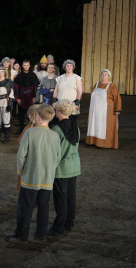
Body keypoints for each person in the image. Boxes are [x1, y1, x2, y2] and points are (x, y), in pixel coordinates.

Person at [5, 104, 61, 243]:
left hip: (30, 176)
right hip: (47, 178)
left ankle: (21, 235)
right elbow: (58, 157)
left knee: (25, 207)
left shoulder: (30, 132)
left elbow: (21, 155)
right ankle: (41, 234)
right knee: (44, 207)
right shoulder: (55, 135)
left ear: (37, 117)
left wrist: (20, 171)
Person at [49, 100, 81, 236]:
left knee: (60, 198)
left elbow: (54, 151)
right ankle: (69, 223)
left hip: (61, 168)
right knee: (70, 196)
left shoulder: (57, 129)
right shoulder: (76, 127)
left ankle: (59, 227)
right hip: (74, 165)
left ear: (59, 112)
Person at [86, 69, 122, 149]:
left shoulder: (111, 85)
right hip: (95, 110)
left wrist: (117, 109)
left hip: (106, 110)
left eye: (106, 74)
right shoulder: (96, 84)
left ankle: (104, 144)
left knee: (104, 126)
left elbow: (117, 97)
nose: (103, 76)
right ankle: (92, 141)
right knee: (94, 124)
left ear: (109, 76)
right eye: (102, 74)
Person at [14, 60, 39, 134]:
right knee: (21, 114)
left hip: (30, 96)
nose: (26, 67)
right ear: (22, 66)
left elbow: (35, 87)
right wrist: (18, 98)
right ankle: (21, 129)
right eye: (25, 65)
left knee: (31, 113)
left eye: (27, 65)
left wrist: (34, 97)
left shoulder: (33, 75)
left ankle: (31, 128)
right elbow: (16, 88)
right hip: (22, 96)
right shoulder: (19, 76)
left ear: (29, 65)